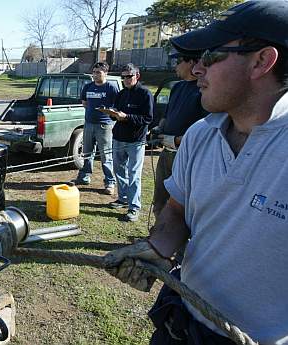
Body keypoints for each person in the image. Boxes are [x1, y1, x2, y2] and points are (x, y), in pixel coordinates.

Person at [104, 1, 288, 344]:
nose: (198, 68)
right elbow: (177, 210)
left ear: (262, 61)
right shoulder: (200, 135)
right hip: (180, 323)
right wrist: (159, 246)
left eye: (212, 55)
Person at [152, 52, 207, 217]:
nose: (175, 66)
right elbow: (167, 115)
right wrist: (159, 128)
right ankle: (157, 237)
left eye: (178, 61)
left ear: (192, 62)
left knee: (181, 204)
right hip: (166, 153)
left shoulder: (202, 90)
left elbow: (205, 131)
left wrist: (175, 140)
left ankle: (178, 241)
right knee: (160, 198)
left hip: (186, 156)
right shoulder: (177, 87)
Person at [109, 64, 153, 222]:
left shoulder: (145, 94)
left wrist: (126, 117)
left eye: (129, 76)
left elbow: (148, 119)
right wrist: (112, 114)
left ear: (137, 76)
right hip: (119, 138)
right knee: (119, 170)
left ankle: (134, 207)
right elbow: (115, 114)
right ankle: (123, 198)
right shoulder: (121, 94)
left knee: (134, 175)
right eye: (124, 77)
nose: (126, 79)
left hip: (136, 141)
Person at [74, 61, 118, 195]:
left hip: (105, 125)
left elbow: (117, 106)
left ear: (106, 73)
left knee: (106, 155)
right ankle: (84, 176)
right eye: (94, 72)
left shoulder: (111, 88)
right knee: (87, 152)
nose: (95, 75)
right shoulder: (88, 87)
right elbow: (85, 103)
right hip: (89, 124)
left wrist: (107, 111)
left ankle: (110, 182)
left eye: (98, 72)